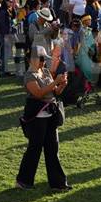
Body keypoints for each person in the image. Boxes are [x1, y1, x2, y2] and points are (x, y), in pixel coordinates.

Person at [16, 46, 71, 191]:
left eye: (44, 59)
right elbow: (39, 94)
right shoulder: (29, 76)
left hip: (50, 114)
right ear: (31, 59)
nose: (43, 62)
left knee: (53, 148)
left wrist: (62, 84)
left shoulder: (45, 71)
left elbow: (55, 92)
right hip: (37, 116)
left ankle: (58, 183)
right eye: (41, 59)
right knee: (35, 148)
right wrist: (55, 82)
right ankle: (24, 181)